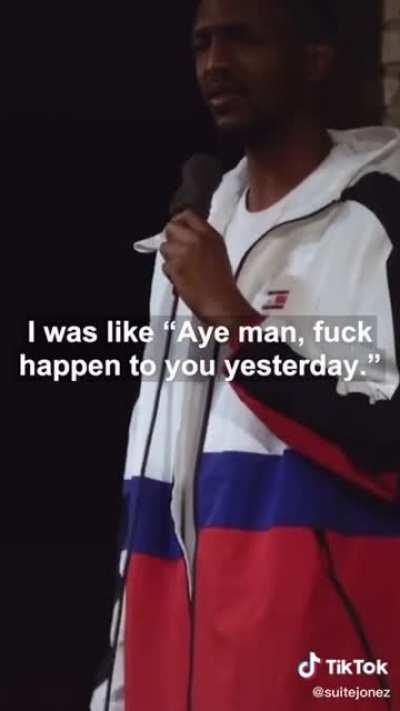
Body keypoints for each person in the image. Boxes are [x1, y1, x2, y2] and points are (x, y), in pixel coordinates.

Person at [91, 0, 400, 709]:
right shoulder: (191, 242)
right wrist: (120, 688)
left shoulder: (380, 220)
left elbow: (387, 448)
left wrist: (233, 318)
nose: (215, 65)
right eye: (203, 43)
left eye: (242, 40)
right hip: (179, 682)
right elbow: (152, 483)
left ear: (315, 59)